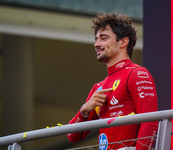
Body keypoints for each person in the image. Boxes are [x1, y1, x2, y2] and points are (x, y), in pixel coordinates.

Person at [67, 13, 158, 150]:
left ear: (123, 42)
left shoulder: (137, 73)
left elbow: (150, 123)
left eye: (103, 38)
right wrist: (84, 110)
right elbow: (72, 137)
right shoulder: (98, 87)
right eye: (96, 39)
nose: (96, 44)